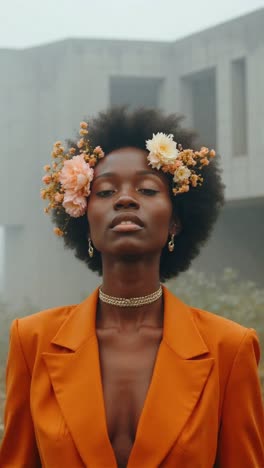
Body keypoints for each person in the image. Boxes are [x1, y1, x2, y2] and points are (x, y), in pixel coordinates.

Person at [0, 107, 263, 467]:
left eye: (147, 188)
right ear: (84, 217)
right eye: (105, 191)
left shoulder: (229, 350)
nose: (125, 199)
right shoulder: (32, 341)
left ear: (175, 221)